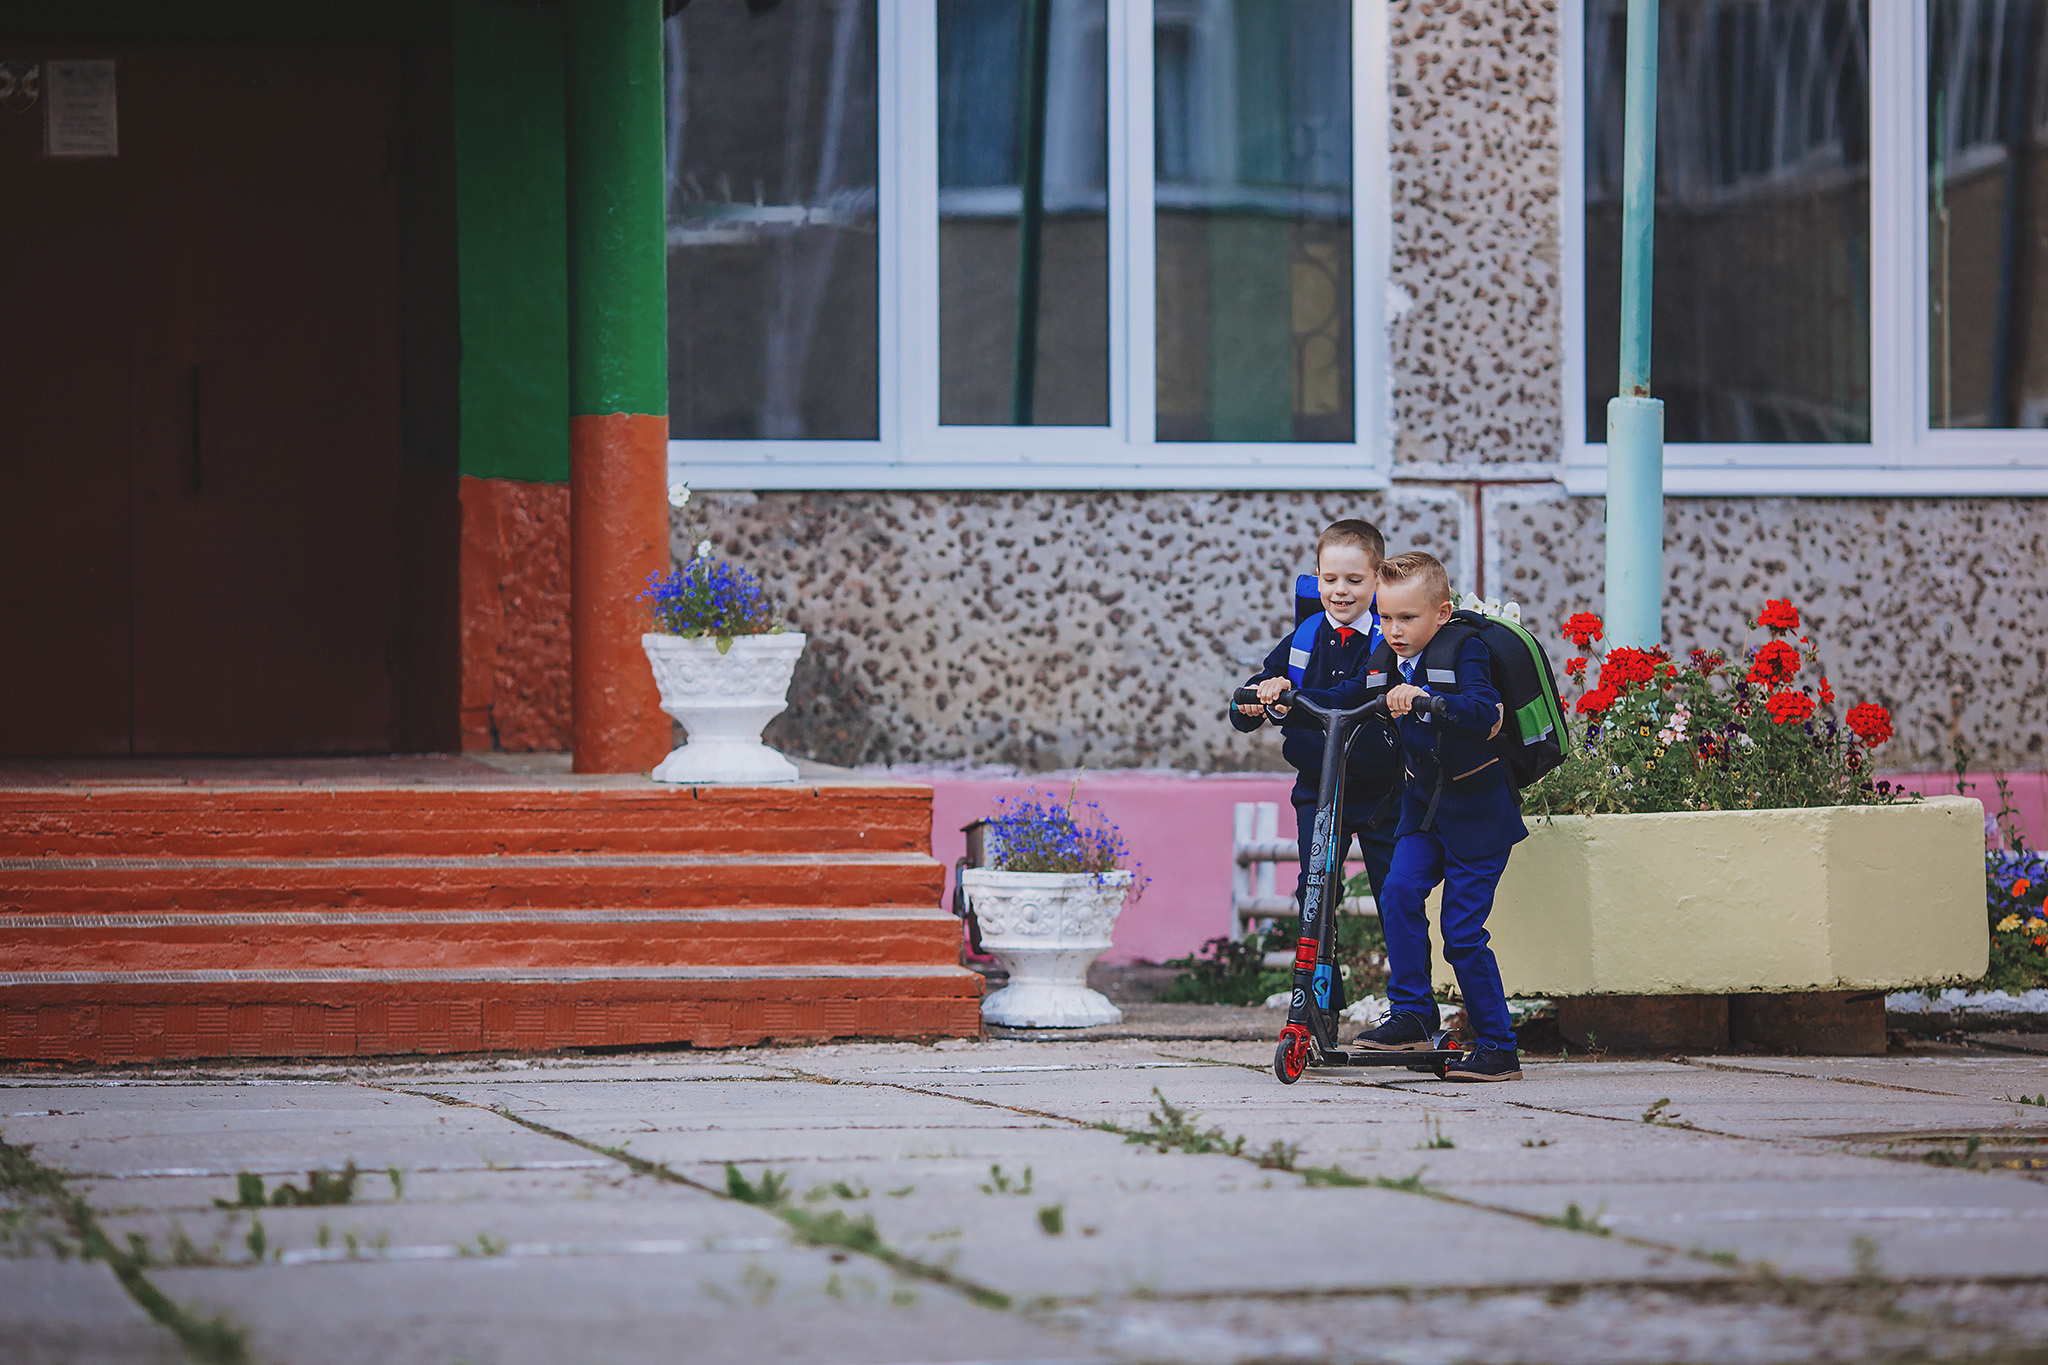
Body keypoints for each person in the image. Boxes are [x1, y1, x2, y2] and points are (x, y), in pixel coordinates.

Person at [1301, 550, 1526, 1082]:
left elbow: (1481, 709)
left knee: (1462, 932)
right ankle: (1413, 1014)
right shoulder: (1384, 657)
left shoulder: (1463, 649)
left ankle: (1499, 1047)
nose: (1393, 629)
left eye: (1407, 618)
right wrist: (1289, 697)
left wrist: (1427, 699)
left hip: (1478, 813)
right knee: (1398, 892)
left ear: (1441, 613)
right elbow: (1348, 695)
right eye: (1384, 616)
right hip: (1423, 810)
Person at [1230, 519, 1399, 916]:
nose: (1341, 590)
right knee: (1316, 895)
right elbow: (1254, 694)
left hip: (1381, 792)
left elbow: (1348, 697)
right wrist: (1254, 701)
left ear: (1378, 579)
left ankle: (1409, 980)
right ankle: (1316, 980)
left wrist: (1291, 701)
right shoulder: (1304, 637)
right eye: (1331, 578)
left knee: (1396, 897)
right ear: (1318, 578)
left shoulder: (1387, 642)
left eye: (1355, 580)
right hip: (1317, 789)